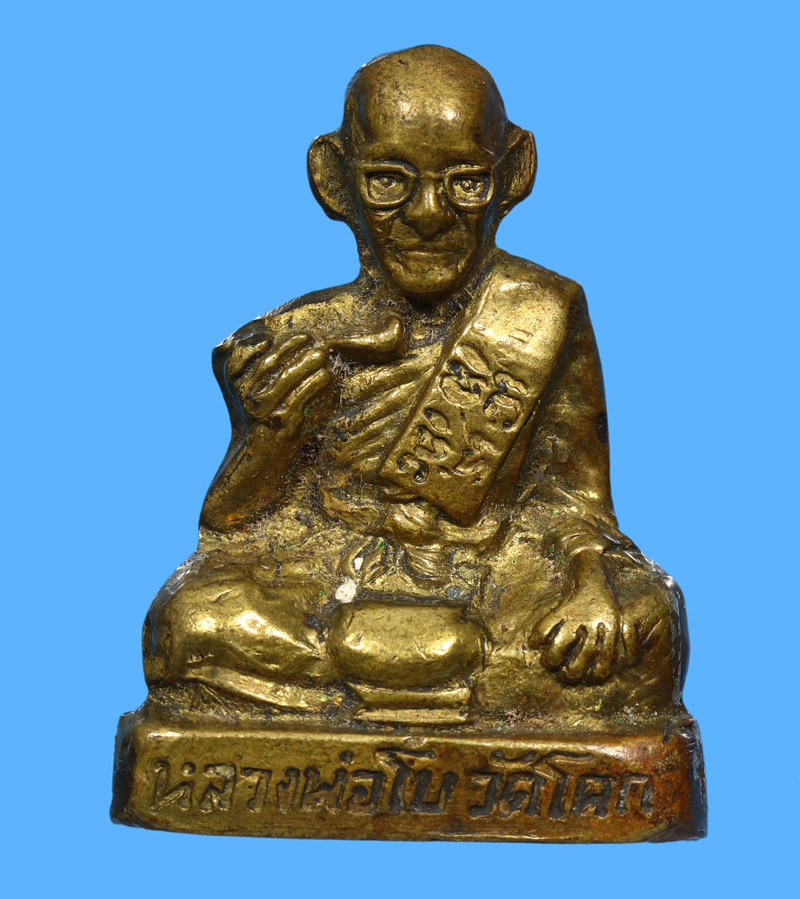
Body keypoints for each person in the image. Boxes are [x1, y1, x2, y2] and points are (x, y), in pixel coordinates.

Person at [142, 46, 688, 725]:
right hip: (333, 576)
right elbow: (234, 533)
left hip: (491, 576)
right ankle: (426, 680)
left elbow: (575, 505)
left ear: (514, 173)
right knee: (187, 620)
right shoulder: (294, 334)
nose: (429, 213)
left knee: (649, 621)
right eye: (388, 181)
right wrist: (269, 436)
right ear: (333, 180)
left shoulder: (540, 312)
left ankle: (366, 683)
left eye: (465, 181)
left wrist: (589, 585)